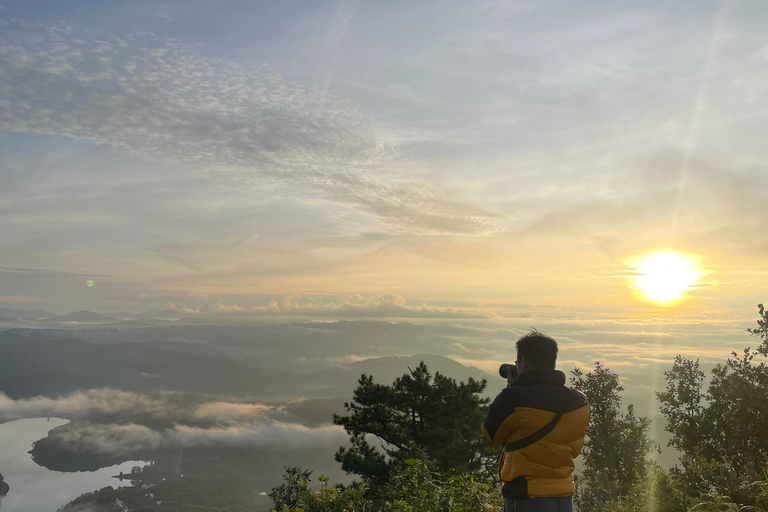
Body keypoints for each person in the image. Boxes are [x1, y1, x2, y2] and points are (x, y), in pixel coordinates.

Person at [482, 331, 590, 512]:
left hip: (527, 495)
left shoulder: (514, 398)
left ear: (523, 362)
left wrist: (513, 388)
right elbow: (573, 446)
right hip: (563, 494)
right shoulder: (579, 402)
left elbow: (491, 433)